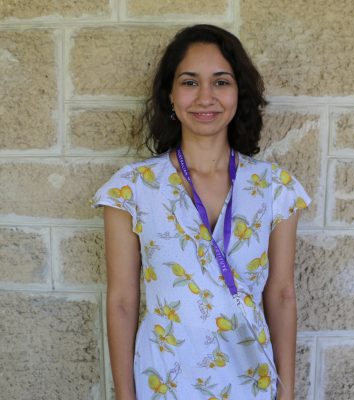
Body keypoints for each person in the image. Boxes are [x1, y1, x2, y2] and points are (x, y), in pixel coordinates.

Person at [92, 24, 311, 400]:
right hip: (163, 383)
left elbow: (281, 294)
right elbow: (122, 302)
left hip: (251, 383)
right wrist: (125, 396)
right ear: (170, 94)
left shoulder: (276, 188)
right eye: (190, 82)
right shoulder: (133, 188)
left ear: (239, 93)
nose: (205, 97)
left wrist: (286, 393)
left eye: (221, 82)